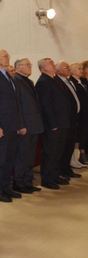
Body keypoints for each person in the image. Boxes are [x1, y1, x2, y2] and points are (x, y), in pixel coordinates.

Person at [0, 49, 26, 202]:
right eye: (4, 56)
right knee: (0, 159)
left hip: (12, 124)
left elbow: (15, 103)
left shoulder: (7, 75)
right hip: (1, 125)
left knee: (9, 158)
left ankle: (5, 186)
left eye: (8, 56)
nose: (8, 58)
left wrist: (20, 124)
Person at [35, 58, 71, 189]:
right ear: (44, 68)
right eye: (50, 63)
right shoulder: (43, 82)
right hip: (53, 124)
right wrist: (52, 123)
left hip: (61, 122)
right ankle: (47, 179)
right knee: (50, 152)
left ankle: (55, 175)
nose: (53, 64)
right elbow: (45, 106)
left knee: (58, 152)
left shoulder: (54, 80)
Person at [12, 58, 44, 193]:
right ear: (18, 67)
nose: (30, 67)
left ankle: (27, 181)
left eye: (30, 65)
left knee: (30, 155)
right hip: (25, 125)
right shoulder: (16, 81)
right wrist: (20, 125)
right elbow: (17, 106)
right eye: (27, 65)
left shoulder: (29, 81)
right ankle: (19, 183)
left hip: (34, 124)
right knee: (22, 156)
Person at [55, 61, 82, 178]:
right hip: (65, 120)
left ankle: (67, 169)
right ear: (57, 70)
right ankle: (62, 170)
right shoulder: (57, 82)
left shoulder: (68, 81)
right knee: (64, 147)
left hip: (72, 118)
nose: (68, 69)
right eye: (65, 67)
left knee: (70, 145)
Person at [69, 62, 88, 166]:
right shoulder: (72, 82)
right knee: (77, 136)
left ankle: (76, 158)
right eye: (79, 69)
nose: (81, 70)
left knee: (81, 135)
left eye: (81, 69)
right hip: (78, 114)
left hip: (84, 113)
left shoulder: (81, 81)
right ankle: (74, 158)